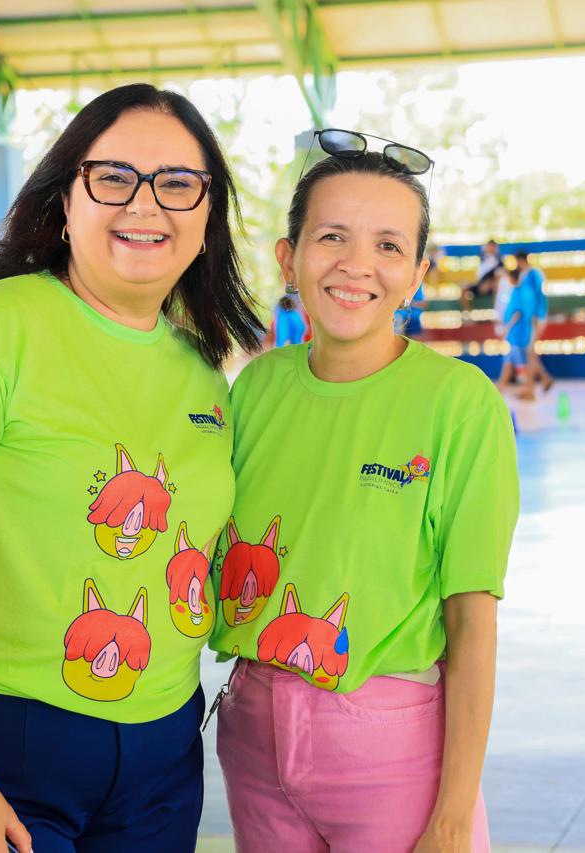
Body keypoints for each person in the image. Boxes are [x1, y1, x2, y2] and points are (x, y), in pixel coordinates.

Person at [0, 83, 263, 853]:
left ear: (209, 218)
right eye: (114, 178)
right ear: (64, 200)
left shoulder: (201, 370)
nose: (145, 204)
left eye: (178, 183)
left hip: (159, 756)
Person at [211, 145, 516, 853]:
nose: (357, 265)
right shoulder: (256, 389)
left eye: (388, 246)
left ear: (416, 276)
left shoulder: (458, 403)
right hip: (253, 736)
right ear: (288, 260)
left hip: (390, 749)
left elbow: (472, 619)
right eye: (332, 237)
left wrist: (453, 814)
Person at [497, 265, 538, 400]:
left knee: (519, 364)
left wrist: (507, 328)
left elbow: (517, 314)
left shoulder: (518, 292)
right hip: (521, 333)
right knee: (510, 363)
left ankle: (528, 391)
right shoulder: (525, 291)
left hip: (517, 334)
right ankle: (502, 389)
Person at [515, 251, 553, 392]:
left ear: (520, 260)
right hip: (528, 318)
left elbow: (539, 295)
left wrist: (537, 316)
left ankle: (532, 388)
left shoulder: (533, 274)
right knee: (530, 352)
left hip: (535, 318)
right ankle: (542, 380)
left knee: (530, 351)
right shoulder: (524, 275)